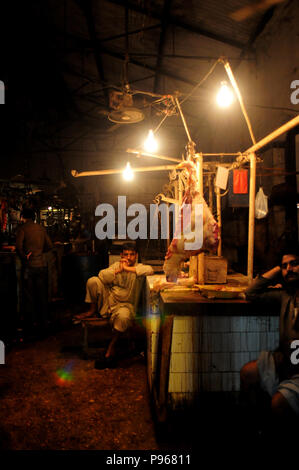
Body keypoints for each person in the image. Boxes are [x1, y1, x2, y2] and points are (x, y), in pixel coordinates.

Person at [240, 248, 299, 435]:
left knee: (279, 403)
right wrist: (277, 271)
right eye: (284, 266)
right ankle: (257, 428)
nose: (289, 269)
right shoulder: (285, 295)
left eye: (294, 264)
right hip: (286, 361)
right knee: (248, 372)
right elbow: (250, 293)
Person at [74, 242, 154, 368]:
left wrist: (127, 269)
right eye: (126, 254)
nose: (128, 257)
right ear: (121, 255)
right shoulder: (117, 265)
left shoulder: (139, 268)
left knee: (123, 317)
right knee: (93, 281)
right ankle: (92, 309)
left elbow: (150, 270)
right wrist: (118, 270)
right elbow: (102, 275)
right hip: (109, 302)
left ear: (136, 256)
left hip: (125, 306)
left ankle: (111, 347)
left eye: (131, 255)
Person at [16, 208, 53, 336]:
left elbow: (18, 247)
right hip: (41, 265)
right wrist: (39, 252)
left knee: (29, 296)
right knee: (42, 295)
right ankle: (44, 323)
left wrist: (25, 256)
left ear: (23, 217)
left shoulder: (22, 229)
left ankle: (31, 324)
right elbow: (49, 245)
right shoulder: (41, 228)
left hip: (29, 267)